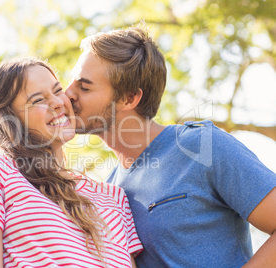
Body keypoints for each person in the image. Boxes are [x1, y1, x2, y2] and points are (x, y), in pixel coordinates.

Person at [65, 25, 276, 267]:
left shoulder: (202, 146)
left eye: (84, 86)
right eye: (71, 82)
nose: (67, 93)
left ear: (130, 98)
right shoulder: (108, 191)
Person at [0, 57, 143, 268]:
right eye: (37, 100)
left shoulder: (114, 197)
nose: (57, 102)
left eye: (57, 90)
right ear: (11, 120)